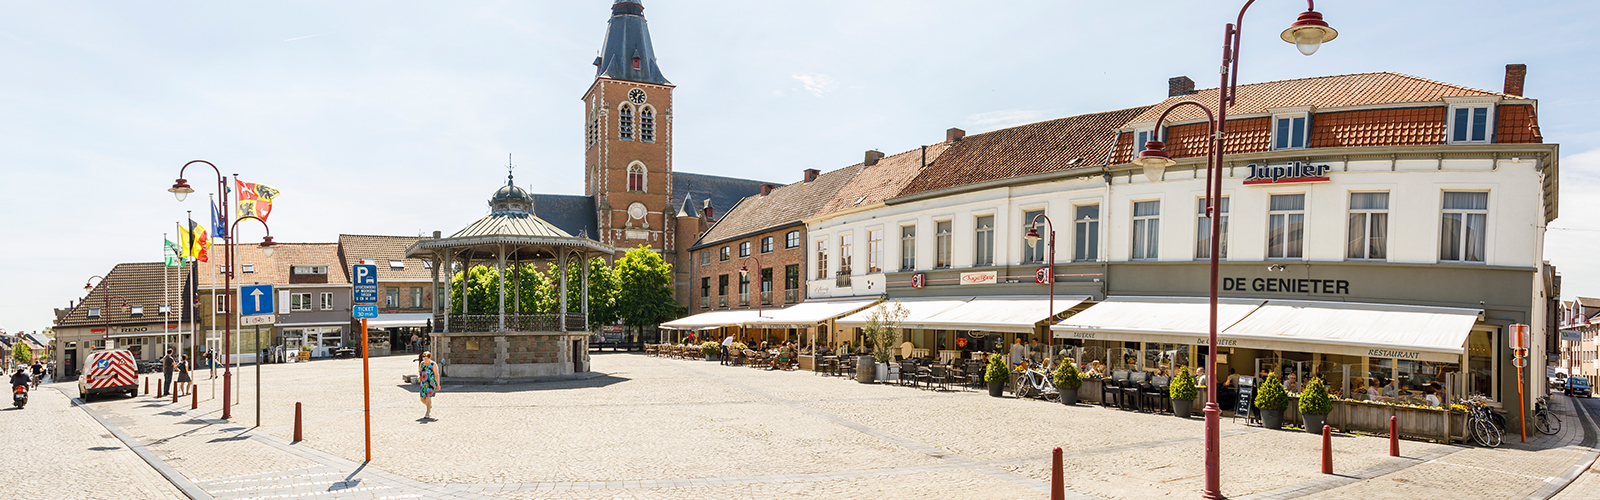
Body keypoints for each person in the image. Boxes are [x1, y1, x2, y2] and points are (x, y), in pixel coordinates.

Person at [417, 351, 440, 420]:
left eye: (426, 359)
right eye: (424, 359)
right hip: (423, 383)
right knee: (422, 399)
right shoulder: (422, 363)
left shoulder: (433, 364)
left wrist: (438, 384)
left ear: (429, 358)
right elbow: (419, 371)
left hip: (431, 383)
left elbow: (436, 374)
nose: (425, 360)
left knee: (428, 397)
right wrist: (418, 376)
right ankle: (429, 406)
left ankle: (427, 412)